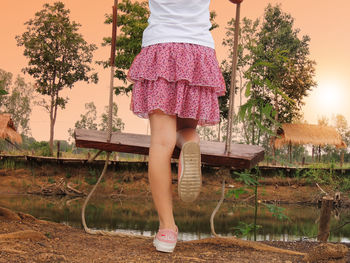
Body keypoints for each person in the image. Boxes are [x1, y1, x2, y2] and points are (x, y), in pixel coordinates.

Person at [127, 0, 225, 253]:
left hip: (160, 49)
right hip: (198, 52)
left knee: (161, 141)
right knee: (186, 129)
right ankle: (190, 143)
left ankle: (167, 229)